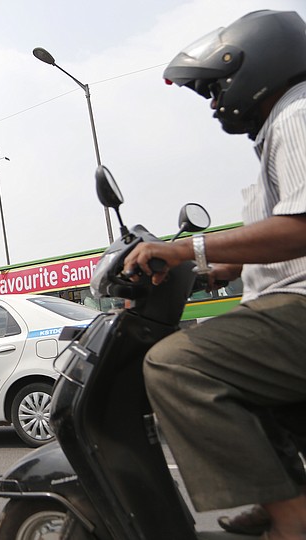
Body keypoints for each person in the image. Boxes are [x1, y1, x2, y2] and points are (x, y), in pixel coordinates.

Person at [122, 10, 306, 540]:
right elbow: (277, 241)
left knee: (177, 365)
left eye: (215, 87)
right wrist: (210, 268)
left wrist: (185, 250)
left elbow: (299, 228)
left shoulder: (296, 115)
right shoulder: (283, 124)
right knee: (229, 357)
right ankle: (281, 491)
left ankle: (291, 515)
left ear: (253, 67)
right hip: (287, 303)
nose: (215, 102)